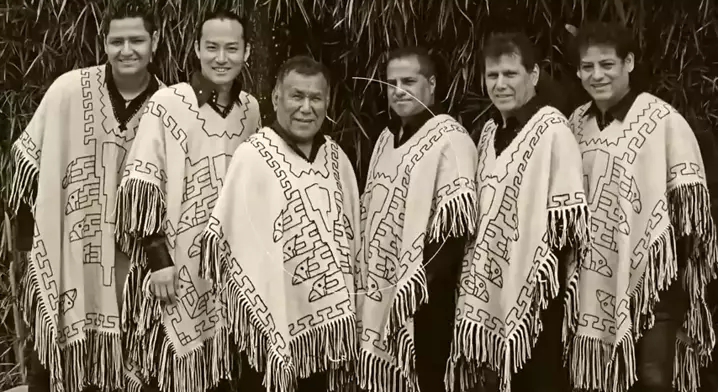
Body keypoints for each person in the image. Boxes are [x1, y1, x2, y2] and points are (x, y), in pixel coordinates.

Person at [9, 0, 162, 392]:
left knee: (130, 362)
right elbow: (29, 165)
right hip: (69, 253)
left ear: (155, 42)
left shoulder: (169, 107)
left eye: (137, 40)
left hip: (133, 266)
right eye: (117, 41)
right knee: (56, 362)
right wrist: (29, 249)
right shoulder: (67, 91)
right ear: (104, 42)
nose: (126, 50)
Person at [565, 21, 717, 392]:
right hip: (591, 280)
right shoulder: (575, 125)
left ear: (628, 63)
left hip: (654, 283)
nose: (597, 75)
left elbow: (694, 211)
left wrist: (672, 276)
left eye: (607, 64)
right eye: (587, 67)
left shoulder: (662, 122)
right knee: (595, 378)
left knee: (652, 377)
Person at [114, 9, 261, 392]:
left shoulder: (250, 110)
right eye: (211, 47)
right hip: (173, 263)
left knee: (218, 369)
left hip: (226, 265)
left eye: (232, 48)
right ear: (196, 49)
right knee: (165, 371)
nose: (221, 58)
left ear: (247, 52)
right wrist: (158, 259)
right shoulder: (168, 103)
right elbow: (141, 184)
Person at [199, 55, 360, 392]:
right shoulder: (253, 156)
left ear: (328, 101)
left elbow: (351, 240)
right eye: (296, 96)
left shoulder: (337, 158)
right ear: (276, 98)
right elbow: (227, 241)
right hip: (267, 318)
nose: (306, 108)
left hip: (326, 332)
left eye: (316, 98)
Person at [444, 32, 590, 392]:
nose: (500, 84)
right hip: (492, 281)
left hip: (538, 289)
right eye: (492, 75)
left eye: (510, 74)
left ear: (533, 75)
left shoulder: (552, 128)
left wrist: (533, 274)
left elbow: (568, 221)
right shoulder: (489, 133)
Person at [354, 46, 478, 392]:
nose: (398, 90)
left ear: (432, 84)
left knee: (425, 380)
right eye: (391, 83)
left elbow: (456, 228)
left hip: (426, 295)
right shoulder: (385, 140)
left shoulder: (449, 138)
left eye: (409, 81)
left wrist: (414, 287)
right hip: (382, 286)